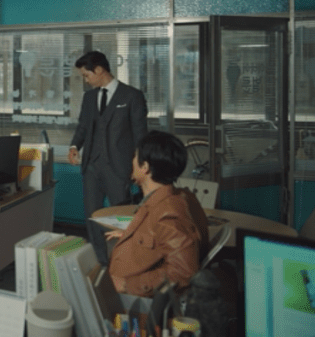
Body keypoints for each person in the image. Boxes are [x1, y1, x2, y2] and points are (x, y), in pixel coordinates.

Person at [68, 50, 148, 266]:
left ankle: (125, 262)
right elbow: (83, 126)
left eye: (87, 75)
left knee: (121, 217)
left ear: (99, 70)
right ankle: (101, 261)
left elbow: (140, 135)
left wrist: (139, 166)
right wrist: (75, 146)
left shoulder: (132, 96)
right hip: (91, 167)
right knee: (92, 216)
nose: (86, 80)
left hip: (119, 168)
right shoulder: (89, 98)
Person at [107, 131, 210, 297]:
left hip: (135, 302)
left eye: (135, 157)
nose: (132, 161)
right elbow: (160, 236)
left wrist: (126, 284)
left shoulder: (169, 212)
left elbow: (183, 272)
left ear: (145, 167)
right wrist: (134, 235)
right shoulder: (175, 196)